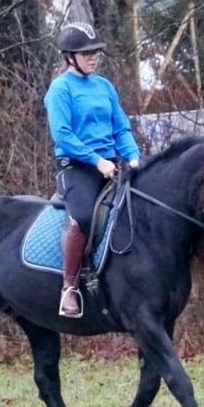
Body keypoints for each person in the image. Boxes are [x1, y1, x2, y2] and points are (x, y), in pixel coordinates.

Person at [44, 21, 141, 318]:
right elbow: (63, 135)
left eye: (95, 52)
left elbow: (120, 127)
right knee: (83, 217)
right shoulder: (60, 89)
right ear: (69, 57)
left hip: (111, 164)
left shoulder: (104, 86)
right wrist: (96, 160)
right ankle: (69, 288)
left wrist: (133, 157)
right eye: (86, 53)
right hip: (77, 167)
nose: (93, 57)